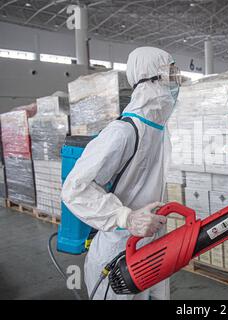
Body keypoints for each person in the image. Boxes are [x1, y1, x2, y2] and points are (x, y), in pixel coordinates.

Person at [61, 47, 181, 300]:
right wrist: (125, 217)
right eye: (170, 74)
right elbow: (75, 188)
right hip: (118, 253)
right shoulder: (123, 132)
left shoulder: (159, 131)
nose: (176, 82)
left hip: (152, 248)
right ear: (151, 79)